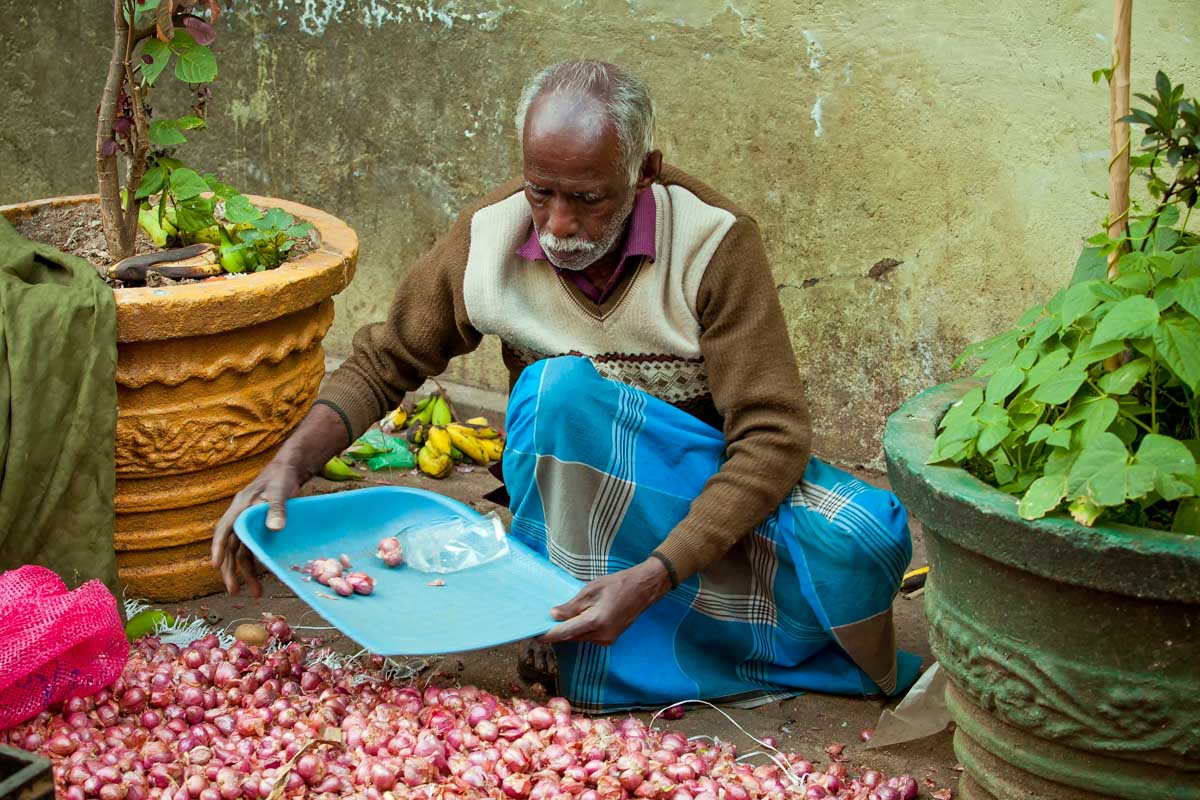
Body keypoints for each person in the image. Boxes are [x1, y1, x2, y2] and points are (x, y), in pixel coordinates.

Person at [212, 59, 919, 712]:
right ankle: (594, 651)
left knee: (865, 542)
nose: (558, 225)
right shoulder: (487, 239)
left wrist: (656, 573)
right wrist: (287, 465)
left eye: (587, 199)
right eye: (540, 191)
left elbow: (771, 436)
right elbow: (384, 359)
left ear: (645, 172)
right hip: (579, 506)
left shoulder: (713, 244)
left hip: (696, 490)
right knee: (557, 394)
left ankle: (656, 614)